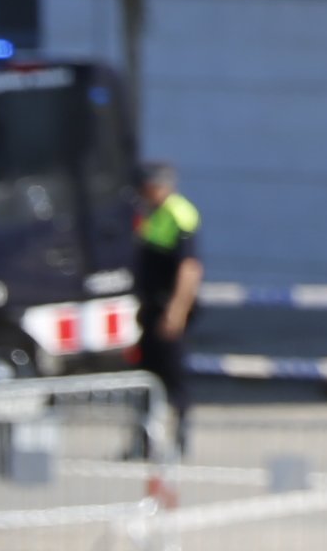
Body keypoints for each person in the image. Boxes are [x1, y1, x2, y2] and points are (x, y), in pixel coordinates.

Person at [131, 161, 203, 445]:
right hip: (150, 306)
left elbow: (189, 268)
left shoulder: (179, 214)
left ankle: (180, 437)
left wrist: (177, 310)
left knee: (173, 374)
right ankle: (144, 440)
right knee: (147, 375)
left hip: (167, 307)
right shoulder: (151, 213)